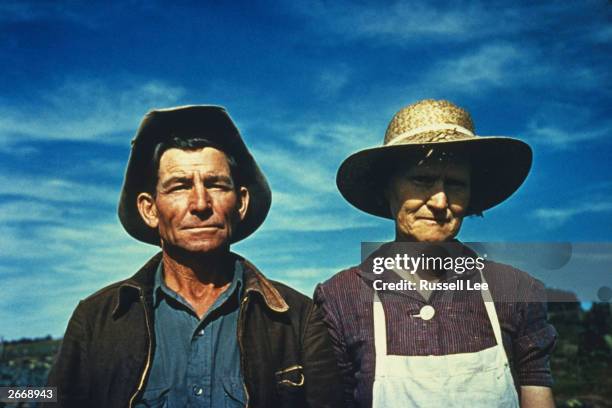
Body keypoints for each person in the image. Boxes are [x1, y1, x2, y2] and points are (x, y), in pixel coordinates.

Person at [48, 105, 343, 408]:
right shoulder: (95, 318)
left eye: (215, 185)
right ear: (150, 209)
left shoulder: (298, 318)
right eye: (180, 186)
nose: (200, 203)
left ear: (240, 203)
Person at [314, 99, 557, 407]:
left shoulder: (517, 290)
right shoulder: (341, 296)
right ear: (387, 188)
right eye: (422, 180)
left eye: (455, 184)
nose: (441, 202)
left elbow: (538, 396)